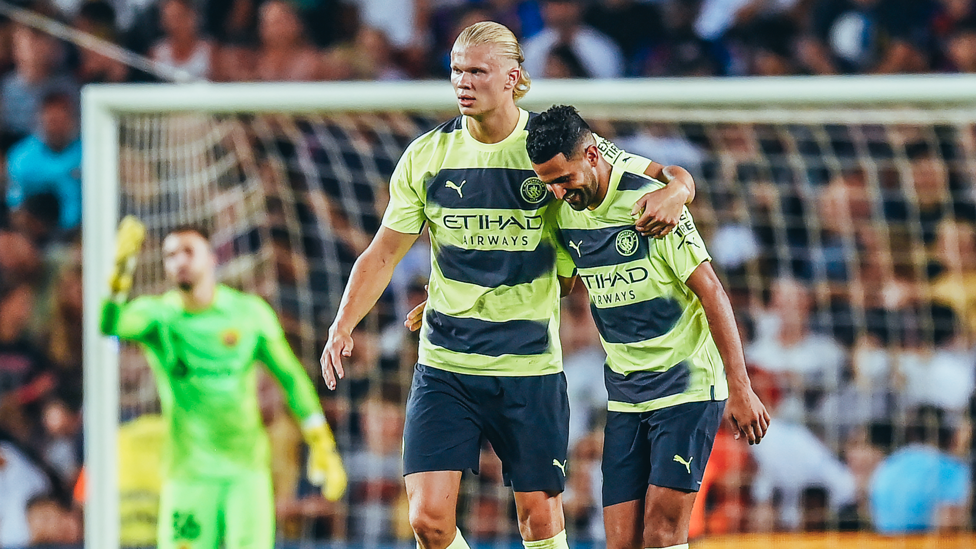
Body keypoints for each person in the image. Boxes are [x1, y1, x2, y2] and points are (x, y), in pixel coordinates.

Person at [321, 20, 696, 549]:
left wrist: (678, 191)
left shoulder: (551, 146)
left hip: (528, 367)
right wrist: (343, 324)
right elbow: (383, 251)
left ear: (513, 77)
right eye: (456, 70)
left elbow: (662, 173)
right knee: (428, 521)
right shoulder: (426, 157)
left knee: (539, 524)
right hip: (447, 364)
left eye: (477, 70)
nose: (462, 81)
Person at [524, 105, 769, 549]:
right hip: (625, 393)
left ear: (592, 155)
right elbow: (551, 285)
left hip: (687, 386)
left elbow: (712, 292)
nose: (559, 193)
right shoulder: (562, 214)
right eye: (549, 183)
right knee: (620, 541)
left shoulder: (651, 203)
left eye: (564, 179)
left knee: (661, 534)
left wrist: (741, 386)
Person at [100, 218, 346, 549]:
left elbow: (291, 377)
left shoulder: (249, 314)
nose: (180, 261)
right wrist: (117, 279)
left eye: (188, 251)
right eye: (171, 255)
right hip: (188, 477)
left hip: (246, 475)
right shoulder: (158, 316)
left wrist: (319, 438)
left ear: (212, 257)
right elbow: (111, 326)